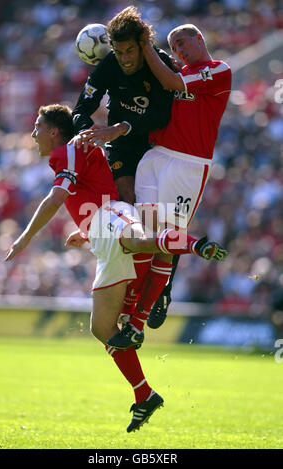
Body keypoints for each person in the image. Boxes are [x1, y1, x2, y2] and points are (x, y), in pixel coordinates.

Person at [5, 104, 223, 432]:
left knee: (139, 239)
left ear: (53, 131)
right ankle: (144, 394)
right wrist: (84, 230)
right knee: (101, 327)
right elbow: (90, 190)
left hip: (111, 217)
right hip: (101, 232)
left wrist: (24, 239)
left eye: (38, 127)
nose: (33, 134)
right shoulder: (74, 151)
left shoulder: (67, 151)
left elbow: (55, 199)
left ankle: (194, 245)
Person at [133, 24, 232, 330]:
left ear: (200, 38)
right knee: (147, 229)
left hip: (189, 163)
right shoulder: (180, 72)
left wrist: (145, 44)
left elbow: (171, 81)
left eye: (182, 42)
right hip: (157, 155)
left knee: (171, 231)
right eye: (173, 46)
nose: (179, 50)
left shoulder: (217, 70)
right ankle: (136, 304)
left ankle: (164, 291)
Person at [71, 6, 174, 205]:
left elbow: (161, 115)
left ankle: (178, 237)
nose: (124, 59)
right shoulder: (108, 65)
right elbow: (80, 109)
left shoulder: (161, 64)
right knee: (127, 199)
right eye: (118, 52)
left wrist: (121, 128)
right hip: (123, 146)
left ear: (142, 45)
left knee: (159, 209)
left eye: (130, 51)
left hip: (159, 143)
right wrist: (86, 131)